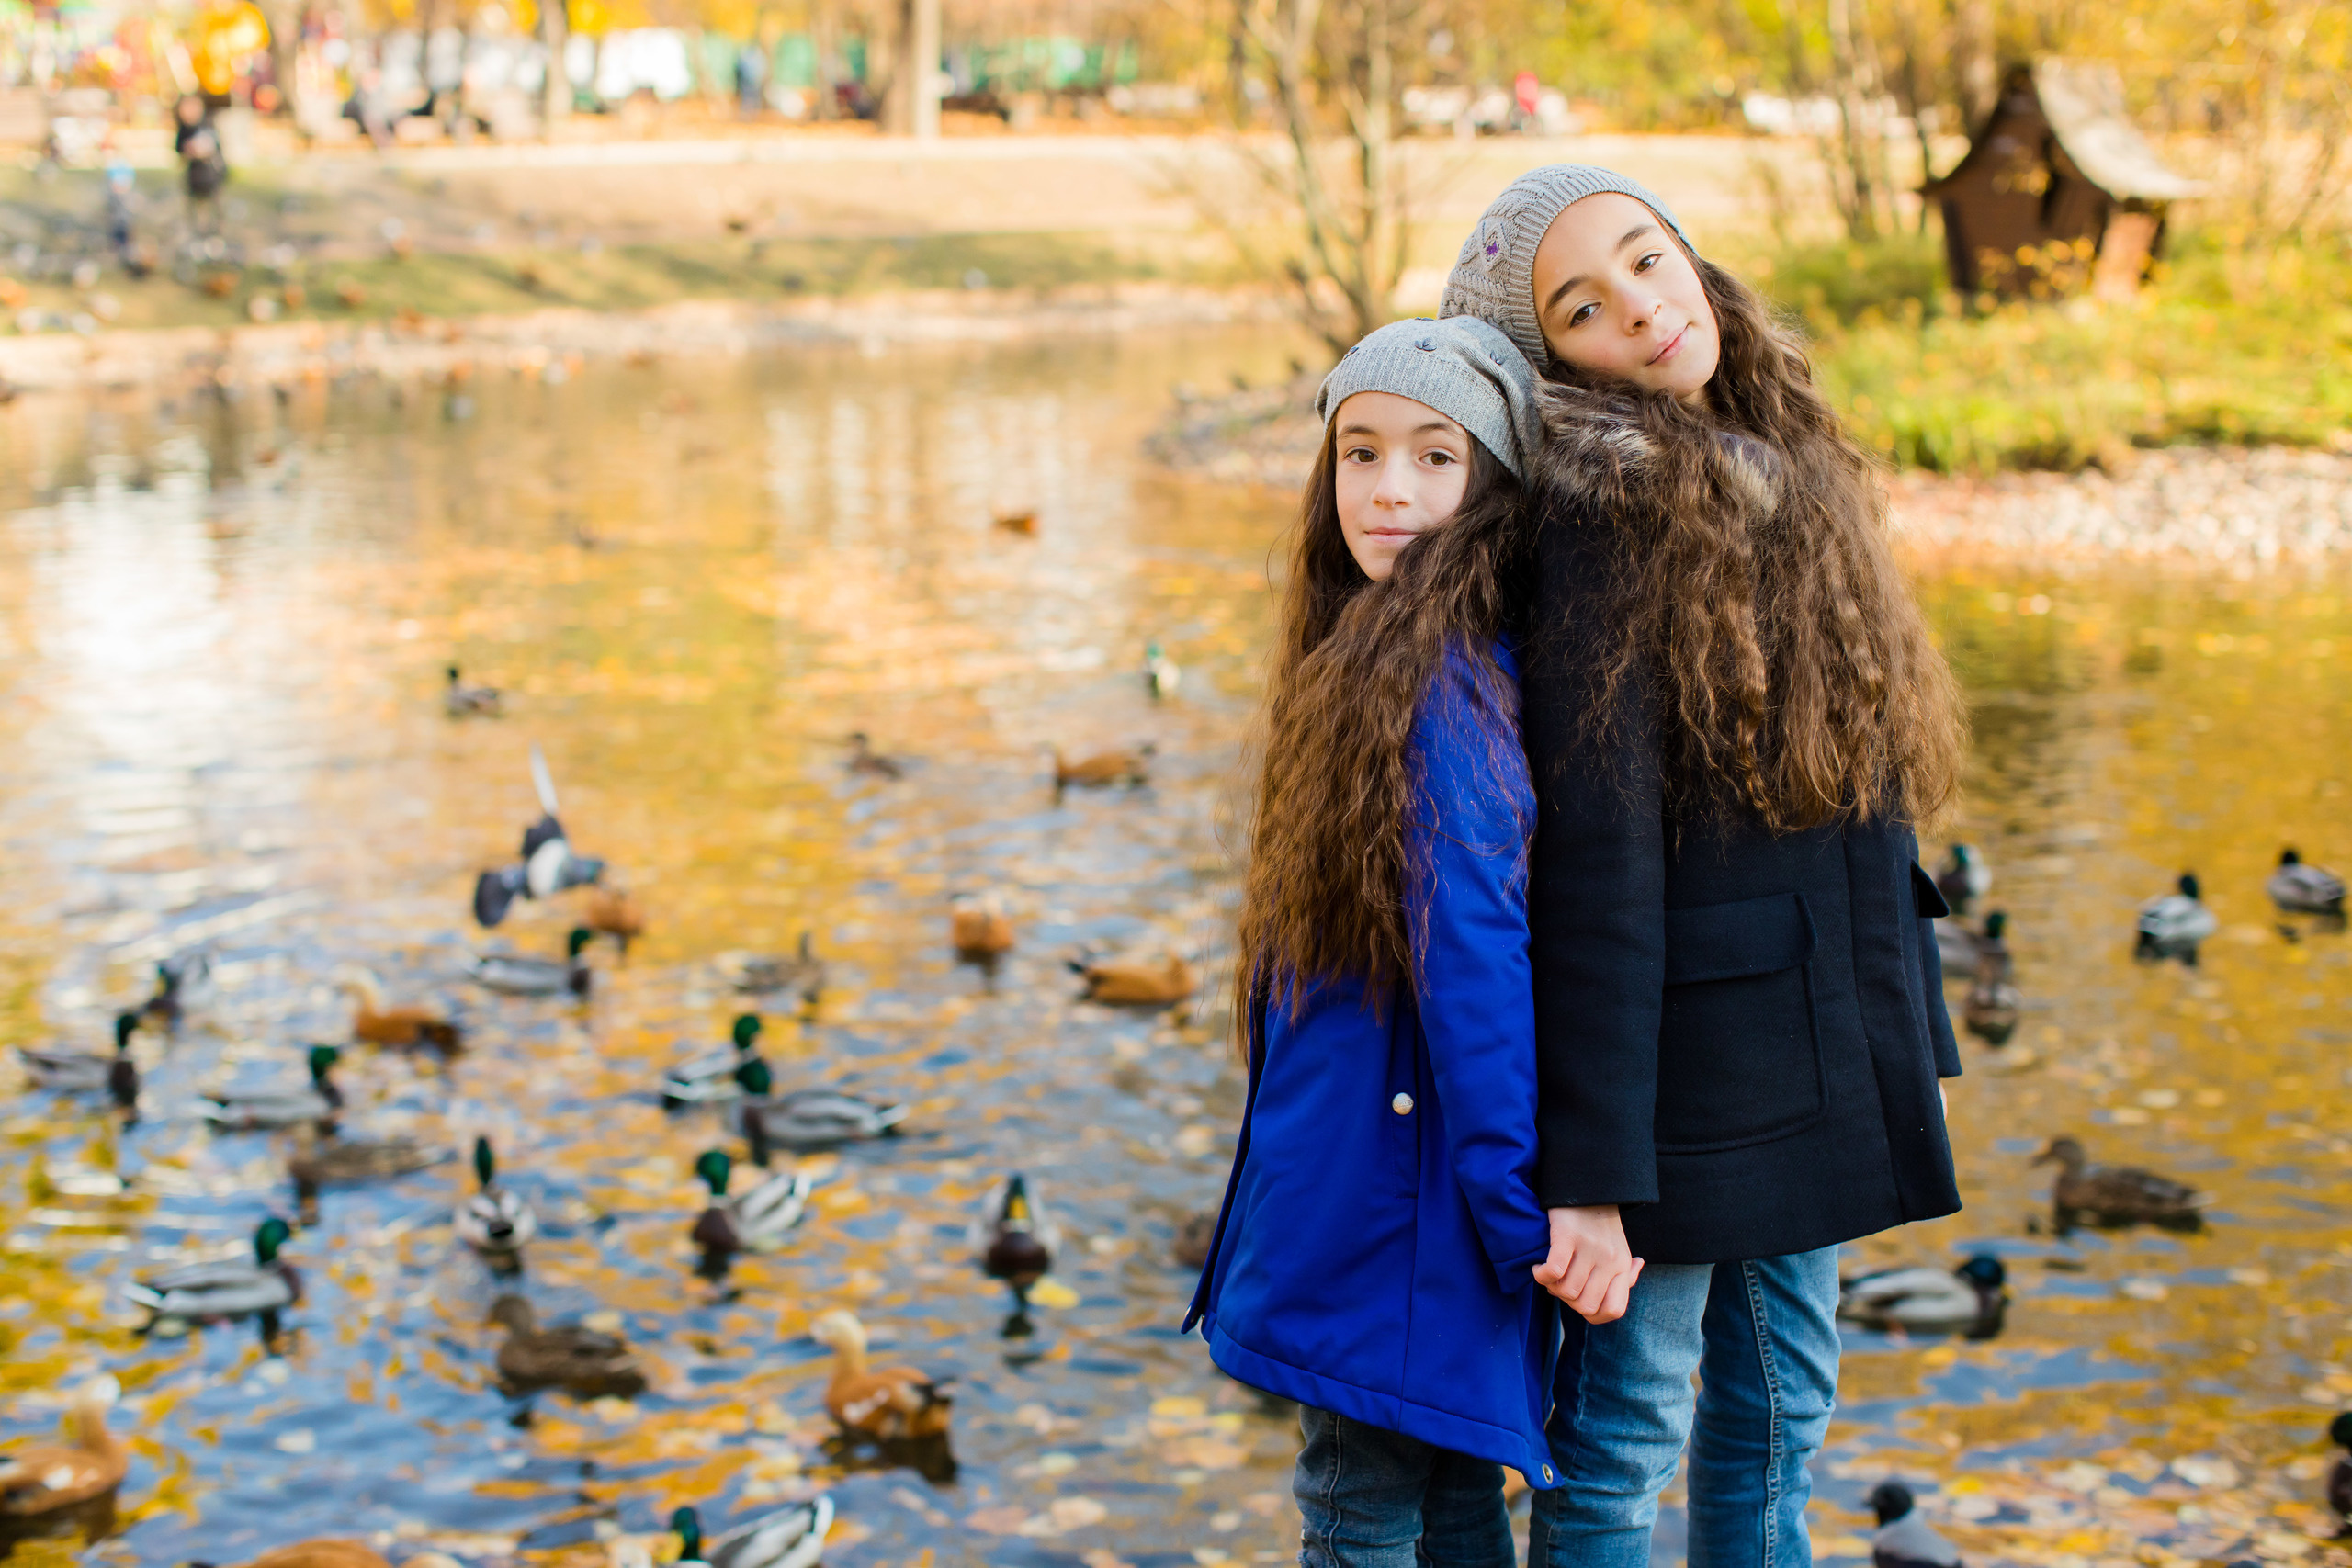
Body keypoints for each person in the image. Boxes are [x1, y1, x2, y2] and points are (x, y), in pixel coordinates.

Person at [1440, 165, 1969, 1568]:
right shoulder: (1596, 510)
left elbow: (1842, 791)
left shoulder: (1772, 452)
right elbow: (1597, 847)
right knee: (1621, 1448)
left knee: (1783, 1414)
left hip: (1810, 1030)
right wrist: (1595, 1168)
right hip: (1681, 1073)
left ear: (1687, 248)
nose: (1645, 311)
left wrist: (1896, 1018)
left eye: (1646, 260)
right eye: (1587, 308)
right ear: (1553, 358)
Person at [1184, 315, 1604, 1568]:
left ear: (1492, 485)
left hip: (1403, 1205)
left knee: (1358, 1509)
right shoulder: (1365, 652)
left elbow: (1475, 964)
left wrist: (1514, 1211)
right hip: (1365, 1183)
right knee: (1449, 1504)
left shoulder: (1437, 683)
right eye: (1360, 453)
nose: (1390, 489)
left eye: (1434, 456)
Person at [175, 96, 229, 237]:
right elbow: (178, 149)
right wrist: (189, 150)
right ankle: (200, 235)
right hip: (194, 176)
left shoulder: (208, 123)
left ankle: (217, 236)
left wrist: (203, 149)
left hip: (212, 175)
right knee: (196, 210)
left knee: (216, 208)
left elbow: (215, 146)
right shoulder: (184, 128)